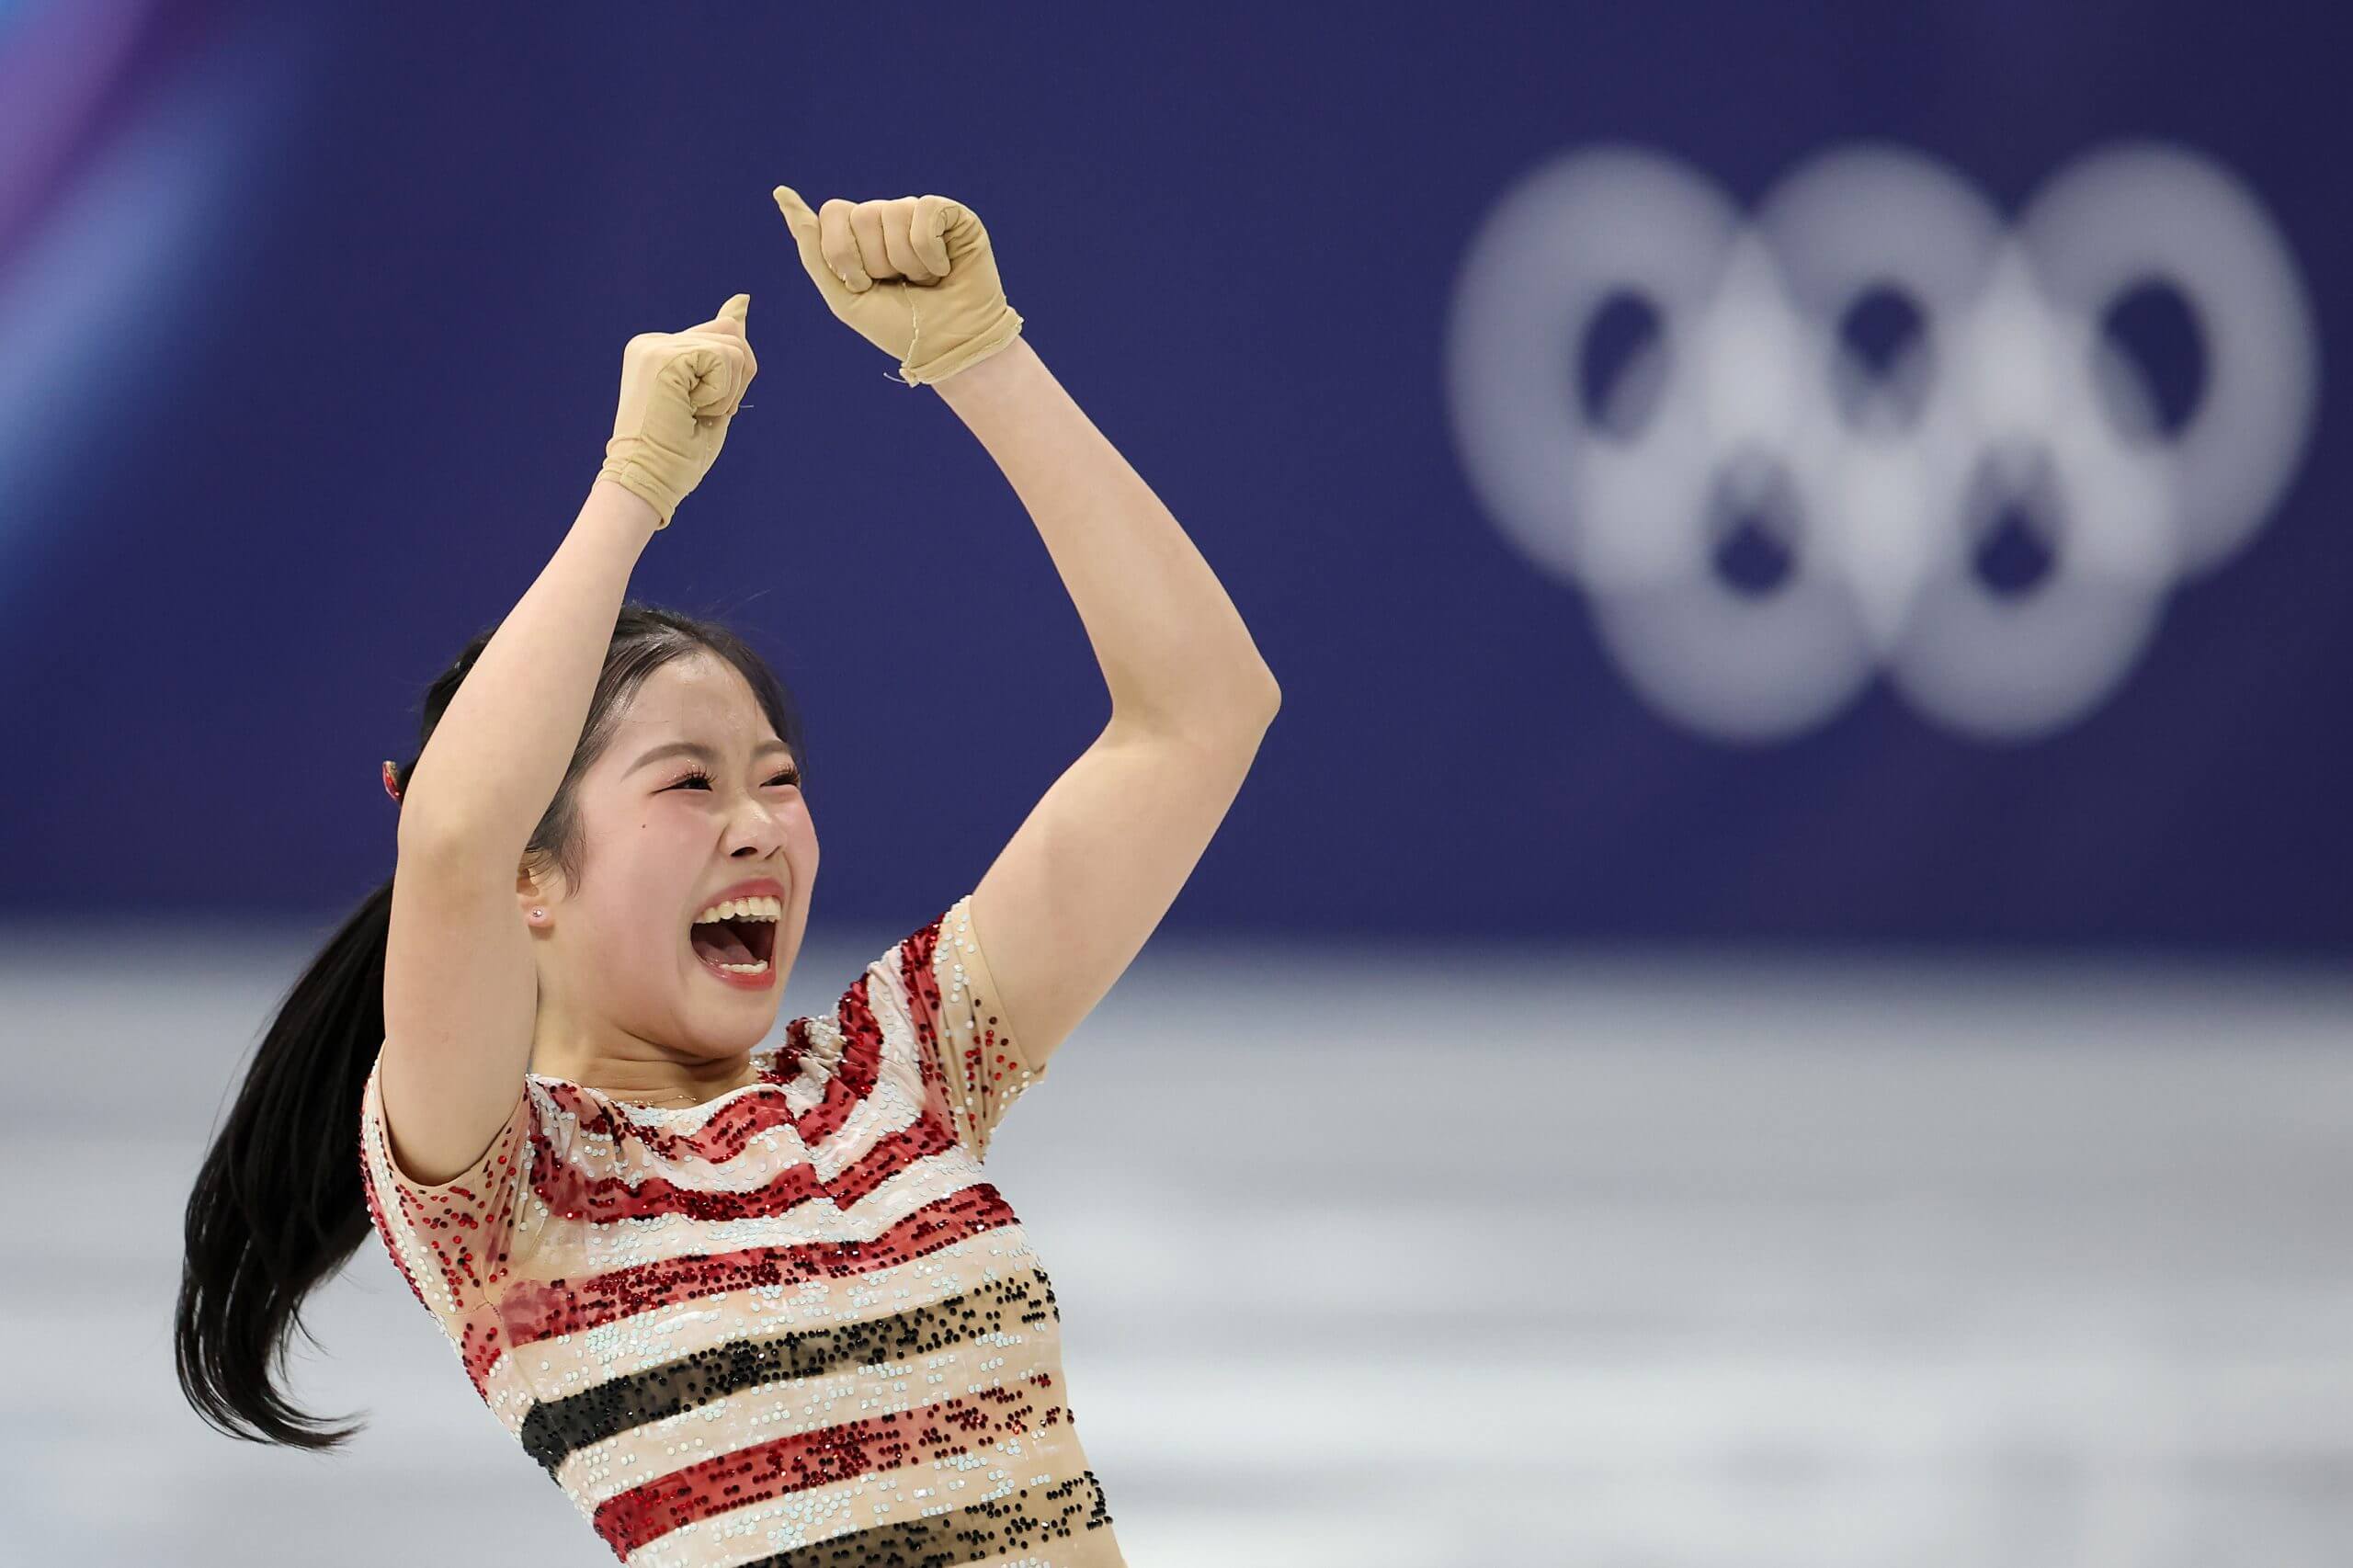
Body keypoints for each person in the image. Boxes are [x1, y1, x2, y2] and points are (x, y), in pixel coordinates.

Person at [174, 187, 1280, 1565]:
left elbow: (1200, 714)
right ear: (533, 877)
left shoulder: (898, 1074)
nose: (758, 825)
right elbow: (451, 838)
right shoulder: (512, 1199)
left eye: (779, 778)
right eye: (691, 782)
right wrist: (631, 486)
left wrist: (979, 353)